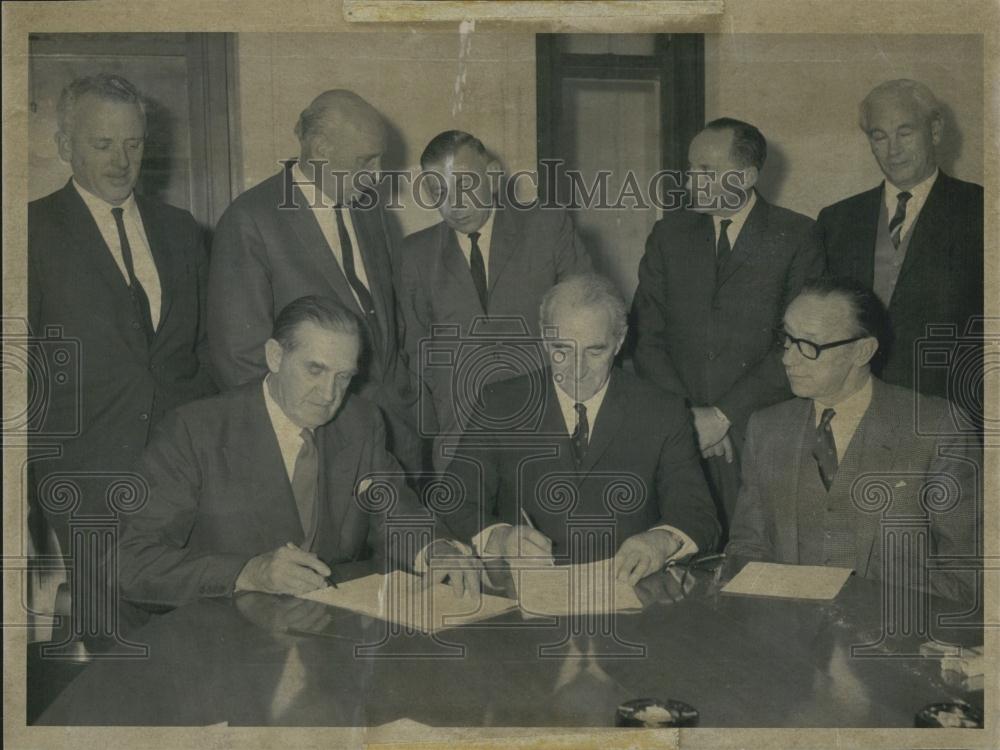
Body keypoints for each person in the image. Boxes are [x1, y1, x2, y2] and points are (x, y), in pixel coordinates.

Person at [119, 296, 481, 609]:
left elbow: (395, 511)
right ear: (275, 356)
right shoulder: (196, 431)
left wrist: (435, 550)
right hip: (224, 635)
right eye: (315, 370)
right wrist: (247, 572)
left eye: (344, 377)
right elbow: (131, 561)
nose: (328, 395)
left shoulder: (360, 422)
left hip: (328, 631)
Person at [28, 73, 215, 552]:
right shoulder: (29, 231)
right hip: (84, 479)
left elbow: (203, 347)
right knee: (110, 621)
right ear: (65, 145)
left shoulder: (179, 229)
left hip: (182, 474)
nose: (121, 161)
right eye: (103, 144)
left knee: (190, 620)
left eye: (133, 143)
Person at [445, 274, 720, 584]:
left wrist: (662, 540)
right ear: (545, 339)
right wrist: (501, 538)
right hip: (527, 599)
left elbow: (699, 514)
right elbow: (454, 500)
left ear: (619, 341)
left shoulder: (661, 411)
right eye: (562, 349)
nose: (577, 370)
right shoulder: (501, 404)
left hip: (630, 595)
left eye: (595, 351)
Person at [725, 278, 979, 604]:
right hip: (789, 638)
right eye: (787, 339)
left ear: (862, 351)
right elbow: (747, 549)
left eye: (809, 345)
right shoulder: (766, 428)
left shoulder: (936, 427)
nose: (788, 359)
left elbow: (969, 572)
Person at [208, 89, 422, 474]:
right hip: (319, 446)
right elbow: (241, 360)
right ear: (321, 149)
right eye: (365, 161)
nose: (376, 175)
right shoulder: (251, 220)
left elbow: (393, 324)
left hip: (396, 437)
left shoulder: (372, 214)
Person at [632, 118, 823, 539]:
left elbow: (797, 344)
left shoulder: (797, 235)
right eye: (690, 168)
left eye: (707, 171)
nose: (691, 180)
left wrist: (722, 416)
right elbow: (646, 337)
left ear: (748, 176)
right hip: (678, 435)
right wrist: (690, 418)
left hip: (758, 434)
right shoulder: (668, 234)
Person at [399, 130, 591, 460]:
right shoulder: (414, 254)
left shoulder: (547, 225)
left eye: (464, 185)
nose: (454, 204)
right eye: (438, 191)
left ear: (492, 175)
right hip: (458, 436)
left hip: (544, 425)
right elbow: (416, 354)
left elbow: (587, 322)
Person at [815, 79, 983, 412]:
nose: (893, 150)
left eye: (905, 133)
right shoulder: (836, 220)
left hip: (948, 413)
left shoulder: (981, 209)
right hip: (853, 409)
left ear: (934, 131)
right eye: (880, 136)